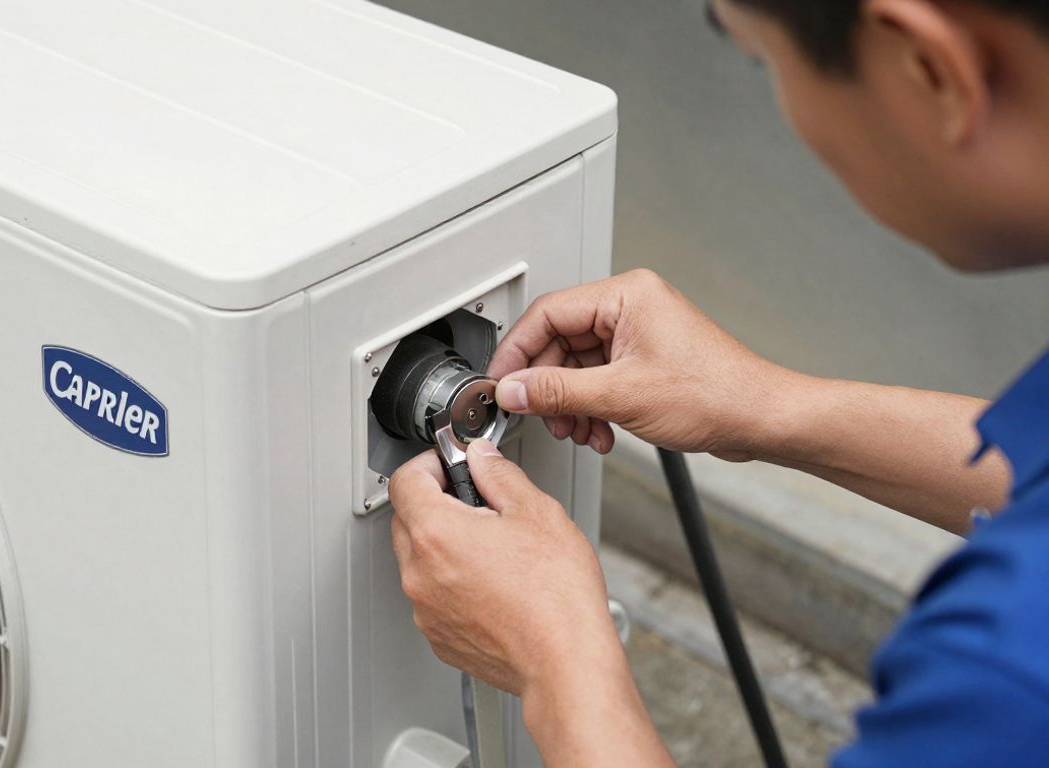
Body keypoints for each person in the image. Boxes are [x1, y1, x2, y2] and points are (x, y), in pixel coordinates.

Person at [387, 0, 1049, 765]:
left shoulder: (1005, 680)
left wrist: (556, 664)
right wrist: (765, 408)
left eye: (763, 61)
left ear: (930, 69)